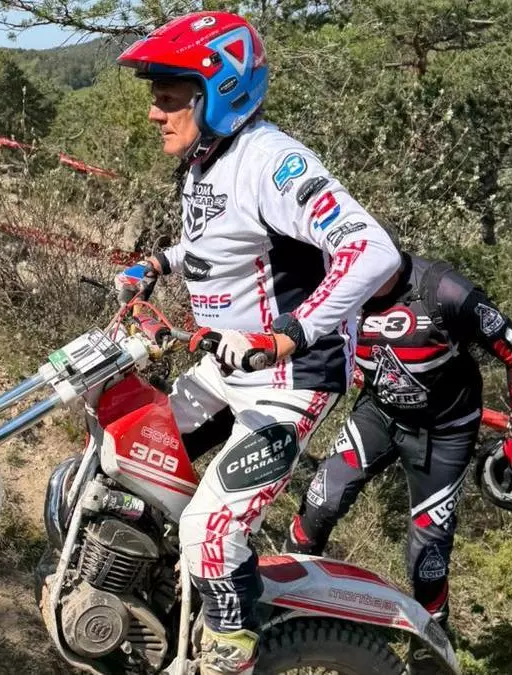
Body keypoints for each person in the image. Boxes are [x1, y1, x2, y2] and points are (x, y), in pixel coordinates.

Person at [113, 12, 402, 674]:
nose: (154, 112)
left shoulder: (272, 161)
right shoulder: (208, 158)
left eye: (167, 97)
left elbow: (371, 249)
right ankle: (161, 602)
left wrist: (287, 335)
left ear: (217, 94)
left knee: (210, 532)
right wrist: (158, 263)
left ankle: (231, 653)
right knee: (134, 453)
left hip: (289, 380)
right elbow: (221, 240)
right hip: (225, 367)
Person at [287, 252, 512, 673]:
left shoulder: (446, 291)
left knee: (426, 556)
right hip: (378, 414)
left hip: (446, 432)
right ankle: (288, 597)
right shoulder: (333, 284)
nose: (350, 286)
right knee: (321, 501)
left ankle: (428, 650)